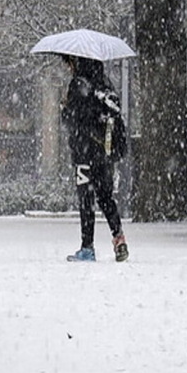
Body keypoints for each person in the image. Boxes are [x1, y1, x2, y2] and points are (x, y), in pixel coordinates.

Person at [60, 55, 128, 262]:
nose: (69, 67)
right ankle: (119, 238)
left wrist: (65, 108)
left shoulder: (78, 84)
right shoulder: (105, 85)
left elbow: (72, 120)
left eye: (70, 62)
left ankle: (87, 247)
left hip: (84, 153)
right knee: (106, 198)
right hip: (104, 154)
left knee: (86, 200)